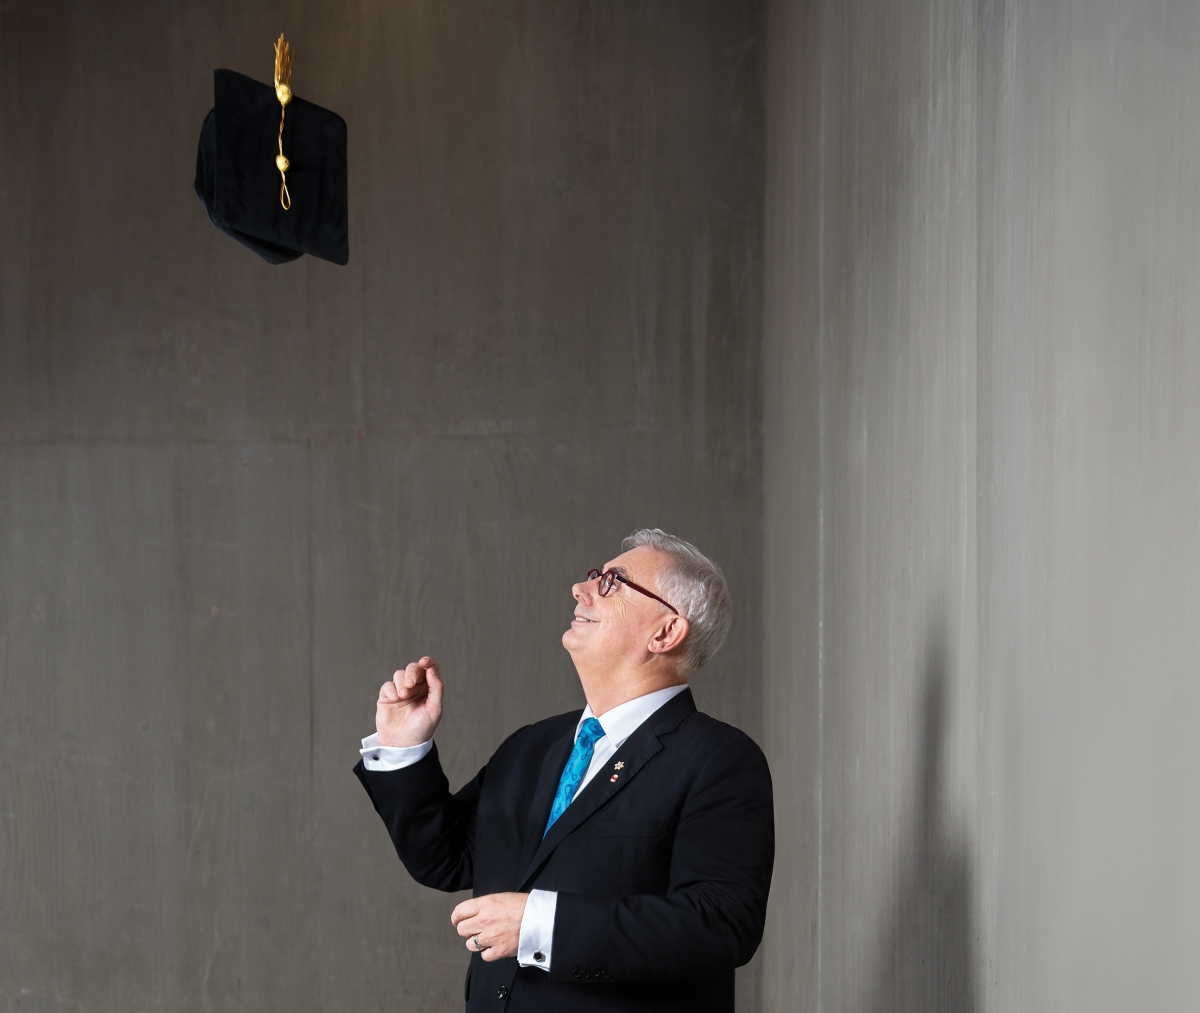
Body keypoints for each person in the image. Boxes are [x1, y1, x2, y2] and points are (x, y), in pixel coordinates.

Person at [353, 528, 774, 1012]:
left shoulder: (719, 759)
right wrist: (405, 748)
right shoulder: (533, 746)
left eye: (613, 582)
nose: (582, 587)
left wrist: (541, 925)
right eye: (594, 575)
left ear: (665, 632)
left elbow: (721, 923)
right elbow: (448, 859)